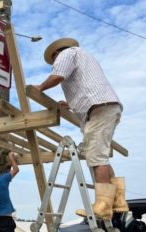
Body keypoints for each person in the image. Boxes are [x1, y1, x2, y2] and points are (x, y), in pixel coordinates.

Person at [30, 38, 128, 221]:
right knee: (101, 155)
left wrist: (40, 87)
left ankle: (103, 206)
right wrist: (72, 103)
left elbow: (58, 75)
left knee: (96, 157)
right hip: (105, 106)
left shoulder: (67, 54)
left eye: (53, 61)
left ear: (56, 54)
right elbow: (86, 85)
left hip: (99, 108)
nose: (54, 64)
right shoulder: (84, 56)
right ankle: (118, 200)